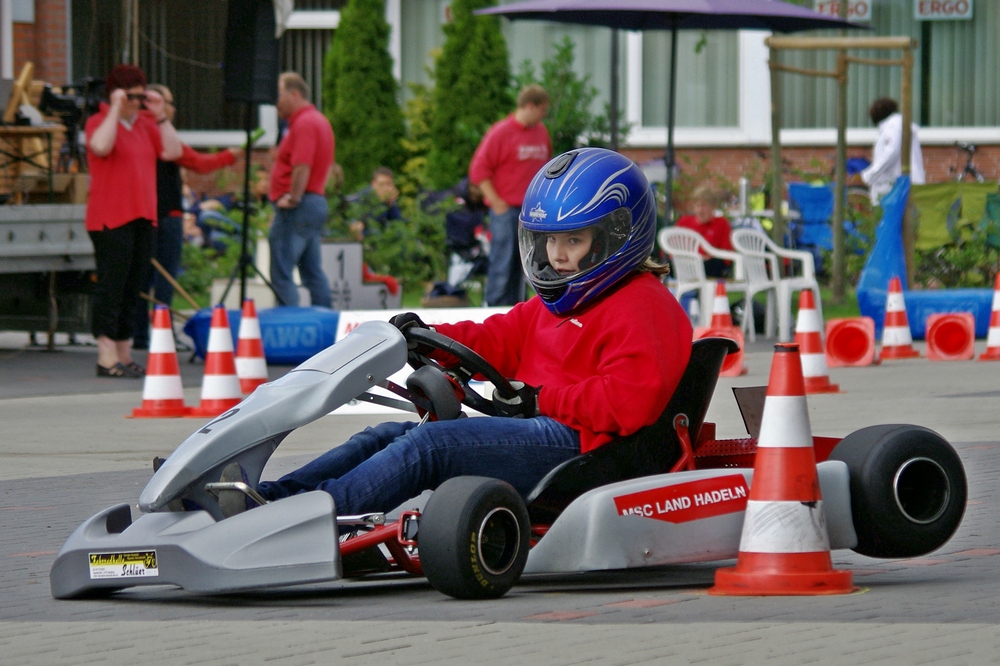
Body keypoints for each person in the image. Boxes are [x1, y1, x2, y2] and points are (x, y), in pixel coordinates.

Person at [219, 147, 693, 518]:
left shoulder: (643, 306)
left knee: (429, 447)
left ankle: (301, 519)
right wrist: (423, 335)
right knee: (383, 435)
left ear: (614, 235)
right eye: (549, 240)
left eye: (573, 239)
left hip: (583, 447)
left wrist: (539, 399)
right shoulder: (562, 303)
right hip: (538, 427)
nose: (557, 255)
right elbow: (496, 337)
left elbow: (628, 403)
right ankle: (264, 500)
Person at [85, 64, 182, 378]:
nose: (137, 102)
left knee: (134, 285)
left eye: (141, 96)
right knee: (112, 286)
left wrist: (160, 114)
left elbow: (172, 150)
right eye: (131, 95)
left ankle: (123, 353)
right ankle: (105, 354)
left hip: (143, 215)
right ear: (116, 93)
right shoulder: (99, 122)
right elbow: (100, 146)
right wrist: (115, 108)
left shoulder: (145, 126)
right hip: (110, 217)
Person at [133, 84, 242, 349]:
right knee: (165, 278)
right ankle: (161, 333)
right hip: (166, 215)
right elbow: (198, 162)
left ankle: (139, 335)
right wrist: (231, 155)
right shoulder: (159, 133)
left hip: (143, 215)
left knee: (141, 278)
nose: (173, 108)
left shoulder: (138, 131)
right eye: (169, 102)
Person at [469, 85, 552, 306]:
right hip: (506, 209)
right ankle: (494, 307)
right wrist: (495, 201)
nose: (544, 115)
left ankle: (516, 307)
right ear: (530, 106)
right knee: (502, 261)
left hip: (532, 211)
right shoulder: (501, 133)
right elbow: (479, 170)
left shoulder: (541, 132)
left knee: (525, 263)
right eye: (542, 110)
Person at [268, 71, 334, 308]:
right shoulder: (318, 120)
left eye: (279, 95)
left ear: (294, 94)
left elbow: (302, 165)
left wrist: (293, 197)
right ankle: (327, 324)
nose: (276, 102)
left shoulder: (304, 123)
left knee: (282, 271)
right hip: (314, 201)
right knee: (311, 270)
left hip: (300, 204)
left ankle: (289, 326)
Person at [859, 97, 926, 207]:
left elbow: (891, 152)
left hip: (898, 186)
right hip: (903, 184)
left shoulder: (893, 127)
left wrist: (870, 175)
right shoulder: (898, 125)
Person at [675, 184, 735, 278]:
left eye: (704, 206)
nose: (700, 210)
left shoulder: (722, 223)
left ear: (713, 207)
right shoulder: (684, 222)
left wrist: (707, 256)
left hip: (710, 264)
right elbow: (670, 248)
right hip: (685, 263)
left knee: (714, 264)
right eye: (697, 206)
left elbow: (727, 254)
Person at [347, 166, 403, 240]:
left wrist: (391, 204)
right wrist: (380, 203)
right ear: (373, 184)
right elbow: (371, 221)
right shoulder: (363, 198)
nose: (386, 188)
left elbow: (398, 224)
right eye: (382, 184)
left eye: (389, 184)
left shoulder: (388, 200)